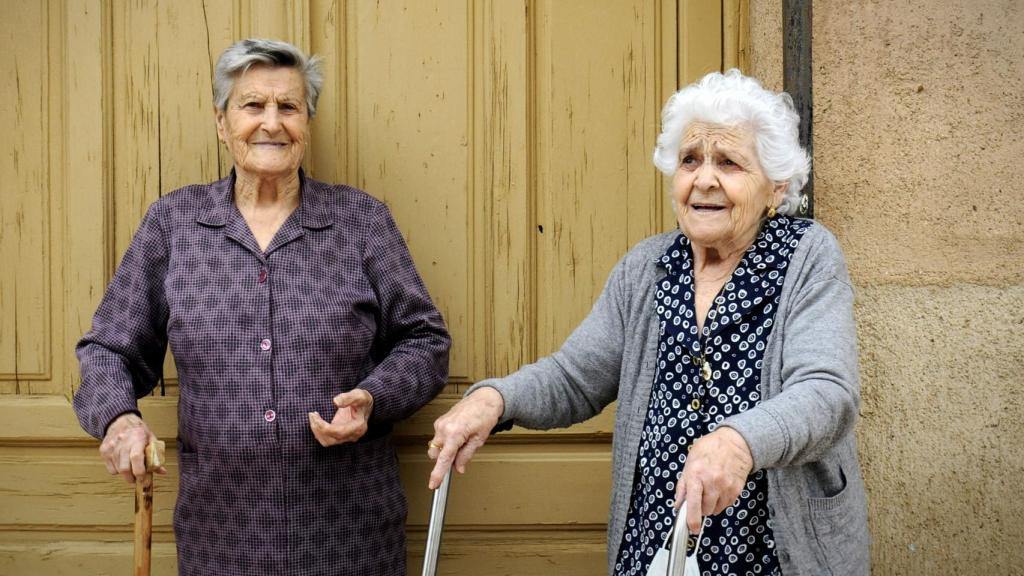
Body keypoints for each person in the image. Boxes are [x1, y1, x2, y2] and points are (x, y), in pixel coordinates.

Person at [427, 69, 869, 575]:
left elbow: (827, 391)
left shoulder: (807, 257)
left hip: (773, 551)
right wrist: (495, 398)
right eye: (689, 161)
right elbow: (576, 375)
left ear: (776, 185)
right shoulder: (648, 267)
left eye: (728, 163)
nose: (704, 179)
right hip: (657, 542)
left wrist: (740, 441)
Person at [73, 38, 450, 576]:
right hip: (221, 537)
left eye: (289, 107)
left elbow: (425, 342)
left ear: (307, 123)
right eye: (252, 105)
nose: (271, 122)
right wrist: (118, 419)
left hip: (348, 537)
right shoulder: (173, 225)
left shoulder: (360, 221)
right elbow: (108, 347)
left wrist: (373, 397)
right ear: (221, 122)